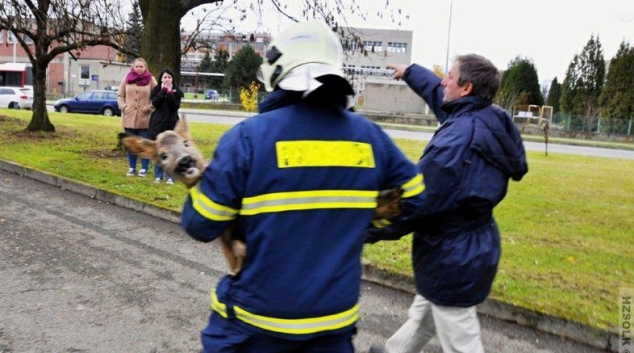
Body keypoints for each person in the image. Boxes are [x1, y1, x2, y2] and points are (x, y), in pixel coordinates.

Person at [180, 19, 425, 353]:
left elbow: (200, 224)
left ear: (278, 73)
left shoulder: (247, 140)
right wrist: (364, 224)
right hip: (333, 327)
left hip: (255, 327)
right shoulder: (371, 138)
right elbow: (416, 199)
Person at [366, 55, 528, 353]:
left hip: (453, 256)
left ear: (465, 88)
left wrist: (365, 222)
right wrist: (411, 73)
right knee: (425, 313)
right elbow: (440, 96)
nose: (443, 80)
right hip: (467, 244)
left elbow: (416, 198)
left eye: (449, 76)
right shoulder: (487, 117)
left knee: (460, 338)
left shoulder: (457, 142)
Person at [118, 57, 157, 177]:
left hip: (144, 118)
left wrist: (150, 108)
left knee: (144, 144)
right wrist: (124, 107)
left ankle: (144, 168)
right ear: (133, 67)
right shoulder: (127, 78)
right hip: (129, 117)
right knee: (131, 144)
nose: (139, 69)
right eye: (137, 66)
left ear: (145, 68)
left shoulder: (151, 80)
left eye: (141, 66)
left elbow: (157, 96)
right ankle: (132, 167)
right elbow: (120, 95)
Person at [148, 68, 184, 184]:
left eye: (169, 77)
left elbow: (175, 107)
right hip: (158, 123)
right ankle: (158, 175)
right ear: (161, 79)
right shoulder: (156, 90)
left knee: (171, 150)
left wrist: (169, 94)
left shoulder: (177, 92)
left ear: (172, 79)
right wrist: (163, 91)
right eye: (165, 77)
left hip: (171, 122)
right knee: (160, 149)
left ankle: (170, 176)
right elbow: (154, 104)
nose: (167, 79)